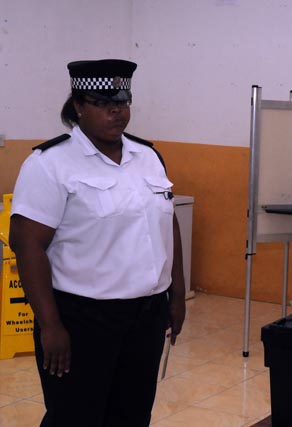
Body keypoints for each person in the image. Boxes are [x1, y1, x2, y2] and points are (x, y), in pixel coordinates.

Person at [9, 59, 186, 426]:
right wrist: (51, 325)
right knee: (75, 416)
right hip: (82, 319)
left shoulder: (148, 157)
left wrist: (177, 295)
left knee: (132, 414)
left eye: (122, 101)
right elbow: (27, 246)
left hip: (145, 316)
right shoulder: (50, 164)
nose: (116, 111)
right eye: (103, 103)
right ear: (77, 105)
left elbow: (168, 225)